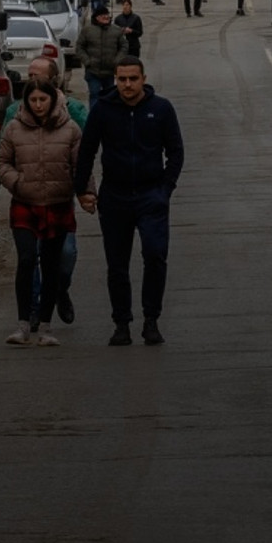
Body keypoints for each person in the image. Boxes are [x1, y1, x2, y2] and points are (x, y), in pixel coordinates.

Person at [74, 57, 183, 347]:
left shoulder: (160, 109)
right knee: (117, 264)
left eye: (133, 79)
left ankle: (151, 320)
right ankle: (121, 323)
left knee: (155, 255)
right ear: (115, 79)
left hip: (151, 196)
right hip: (115, 196)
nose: (127, 85)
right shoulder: (103, 110)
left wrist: (165, 189)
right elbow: (86, 151)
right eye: (122, 79)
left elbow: (175, 151)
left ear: (143, 78)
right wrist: (82, 190)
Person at [0, 57, 89, 331]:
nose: (31, 79)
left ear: (53, 83)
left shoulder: (73, 110)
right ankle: (32, 311)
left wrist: (85, 193)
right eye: (29, 75)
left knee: (64, 258)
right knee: (29, 257)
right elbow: (0, 155)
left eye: (37, 75)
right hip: (27, 199)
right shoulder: (15, 114)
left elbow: (84, 150)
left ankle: (59, 290)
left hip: (58, 199)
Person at [74, 4, 128, 103]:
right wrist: (87, 61)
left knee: (109, 97)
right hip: (93, 72)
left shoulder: (116, 30)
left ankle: (108, 117)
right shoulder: (87, 30)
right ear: (96, 17)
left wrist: (117, 60)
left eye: (107, 15)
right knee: (94, 96)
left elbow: (124, 46)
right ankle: (95, 117)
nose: (106, 17)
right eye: (103, 15)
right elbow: (79, 47)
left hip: (110, 72)